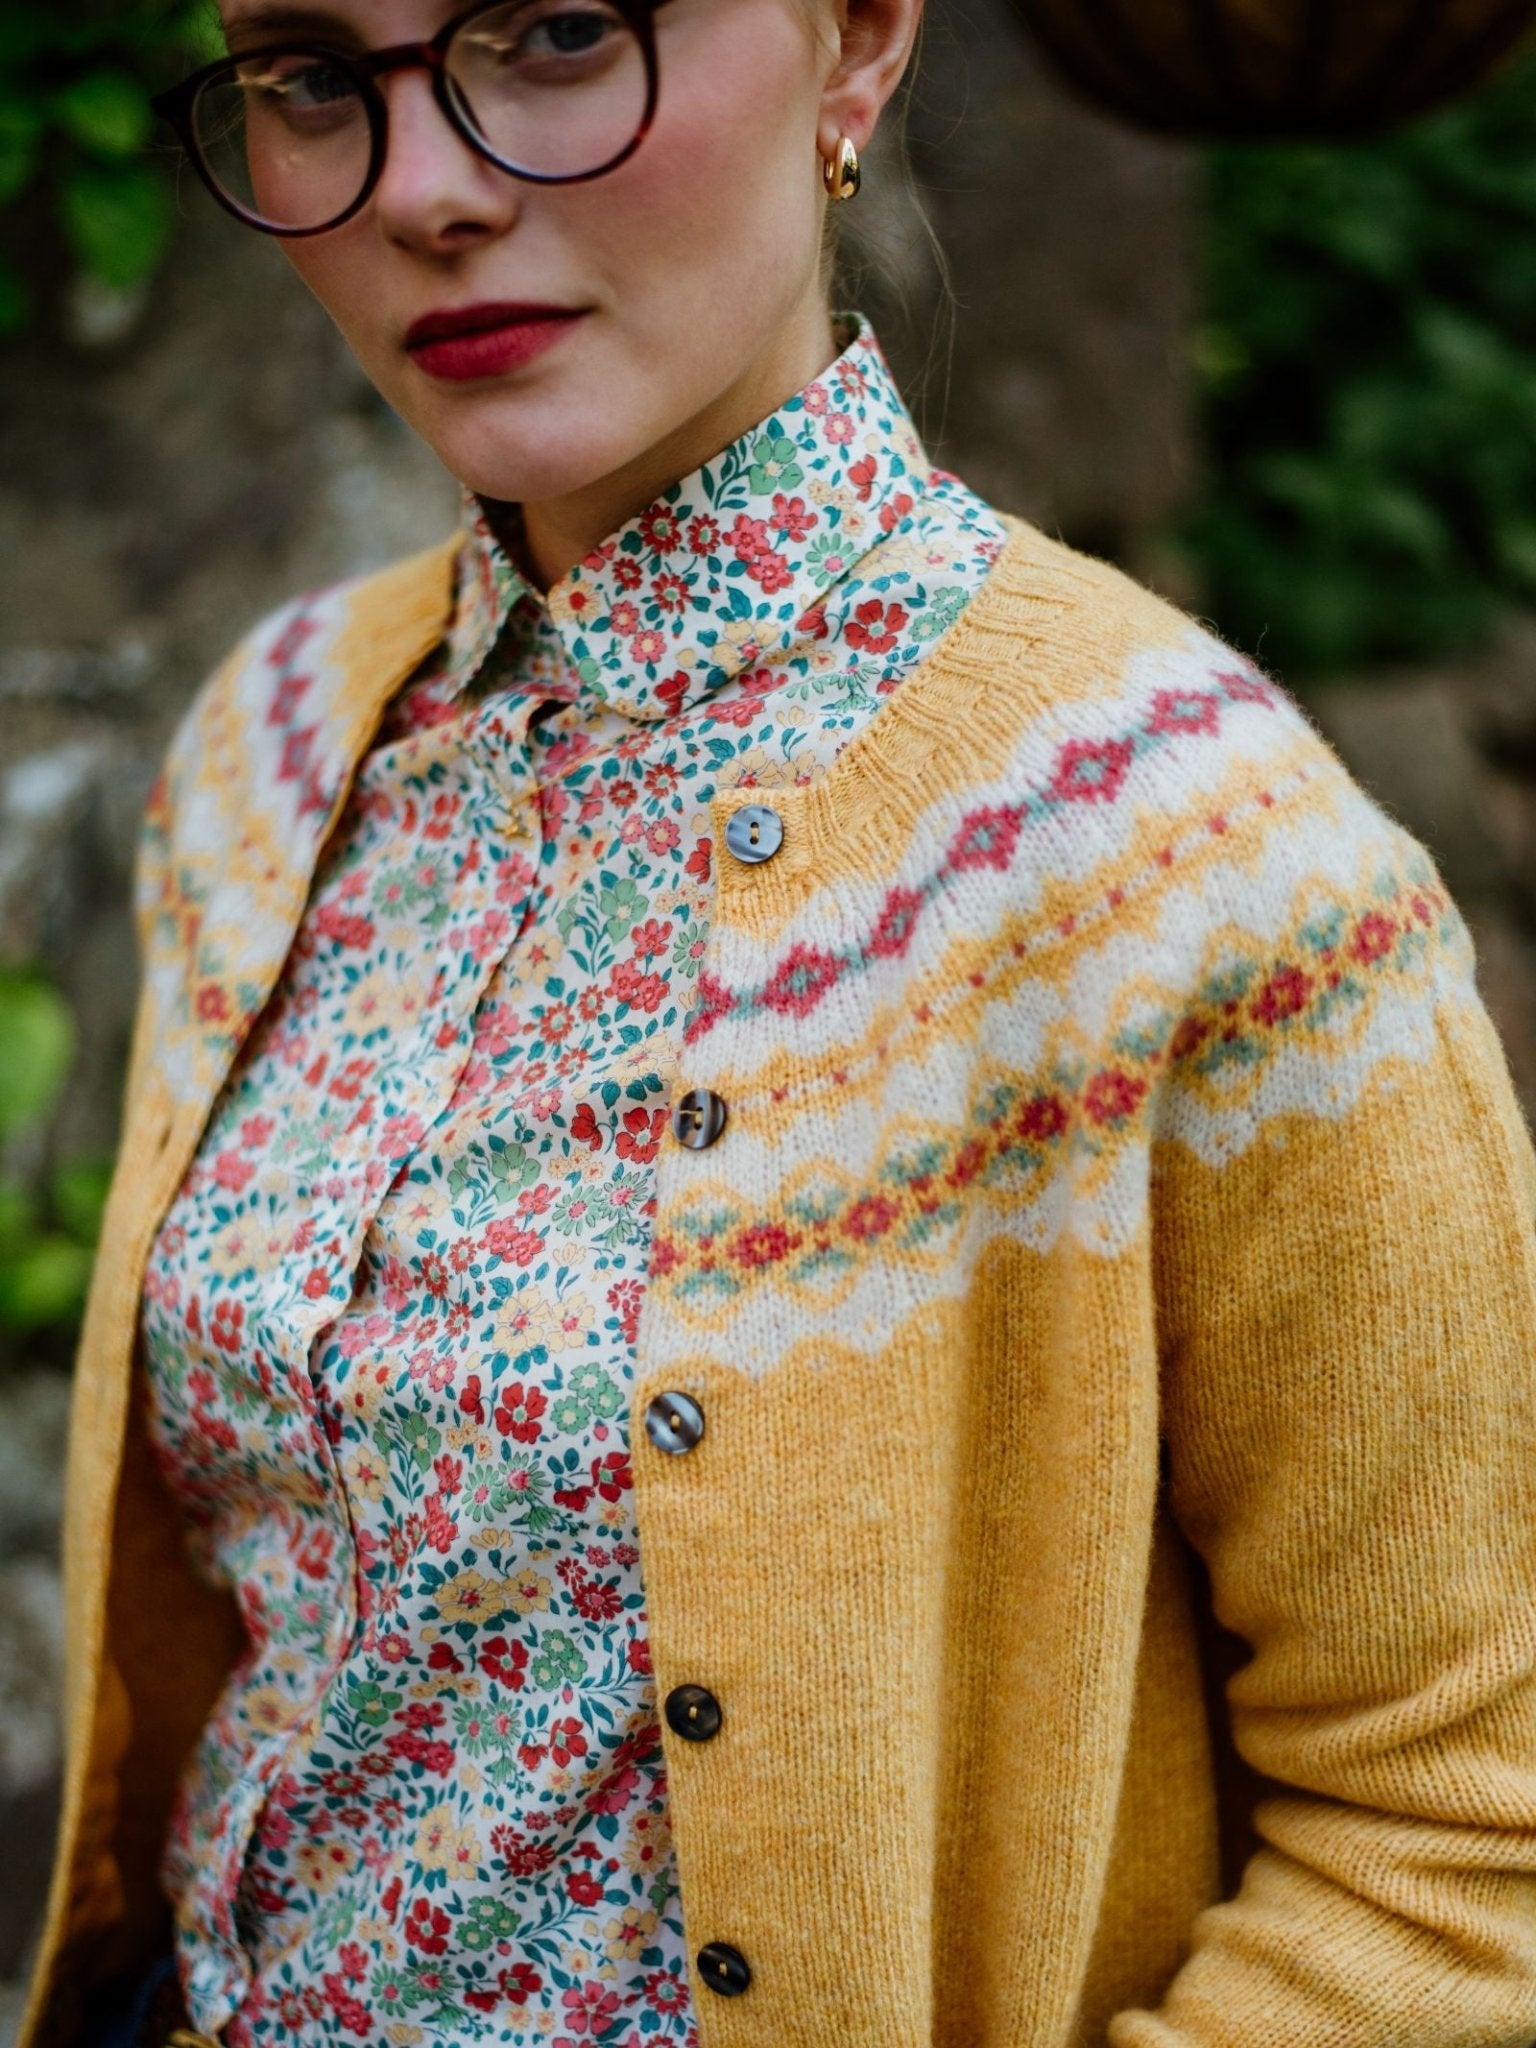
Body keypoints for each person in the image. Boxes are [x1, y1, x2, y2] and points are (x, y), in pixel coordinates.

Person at [21, 0, 1536, 2043]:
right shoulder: (269, 748)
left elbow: (1460, 1833)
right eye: (311, 76)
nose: (426, 189)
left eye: (559, 32)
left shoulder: (1197, 860)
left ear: (859, 47)